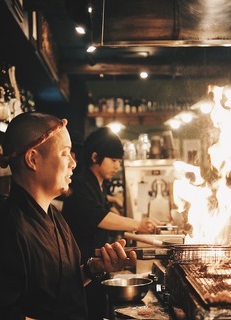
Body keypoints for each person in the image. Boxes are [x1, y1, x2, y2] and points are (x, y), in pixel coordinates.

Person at [0, 112, 137, 320]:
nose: (73, 163)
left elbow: (59, 288)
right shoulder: (7, 232)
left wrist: (94, 269)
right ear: (33, 159)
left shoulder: (53, 216)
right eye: (65, 153)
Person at [62, 126, 160, 320]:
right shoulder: (82, 183)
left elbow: (104, 211)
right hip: (81, 269)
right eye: (113, 160)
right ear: (95, 157)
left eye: (119, 161)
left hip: (96, 267)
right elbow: (99, 217)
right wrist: (137, 225)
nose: (117, 166)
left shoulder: (98, 184)